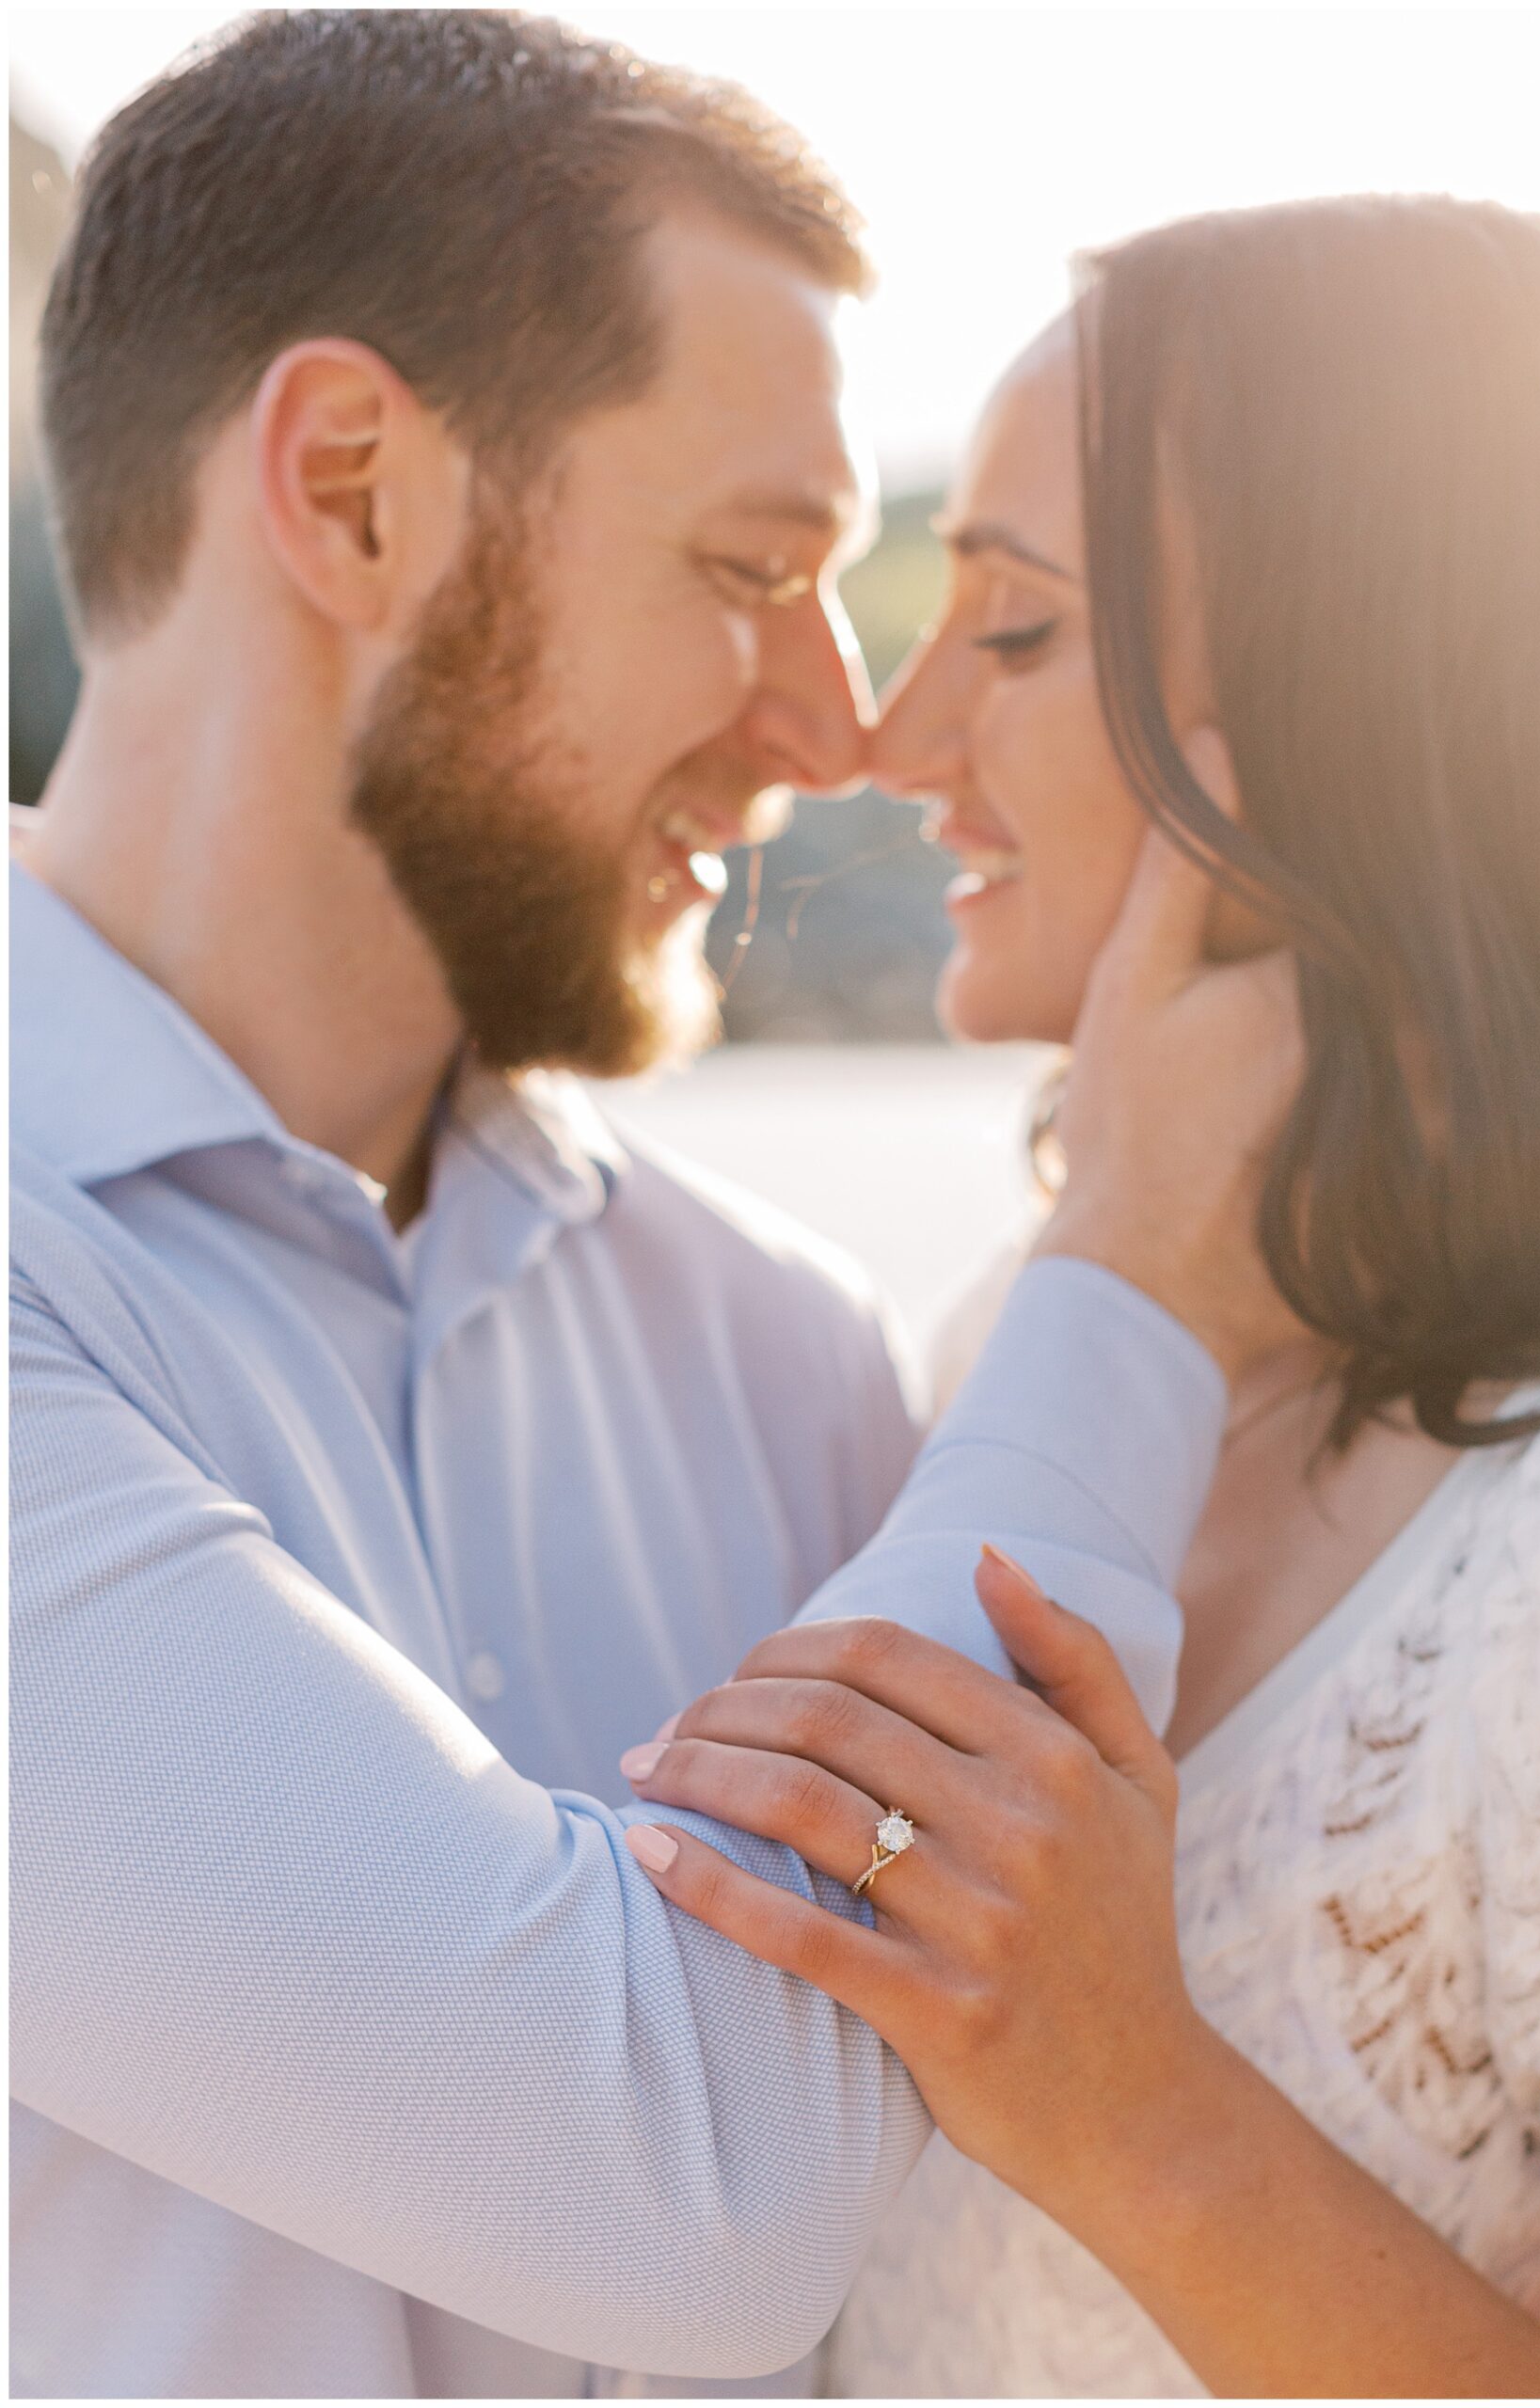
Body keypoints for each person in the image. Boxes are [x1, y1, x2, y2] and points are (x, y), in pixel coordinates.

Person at [8, 16, 1291, 2397]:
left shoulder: (791, 1349)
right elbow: (677, 2194)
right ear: (354, 489)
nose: (836, 727)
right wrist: (1137, 1268)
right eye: (751, 569)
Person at [616, 197, 1540, 2398]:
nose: (893, 738)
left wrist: (1132, 2104)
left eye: (1023, 629)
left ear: (1370, 701)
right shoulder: (1020, 1343)